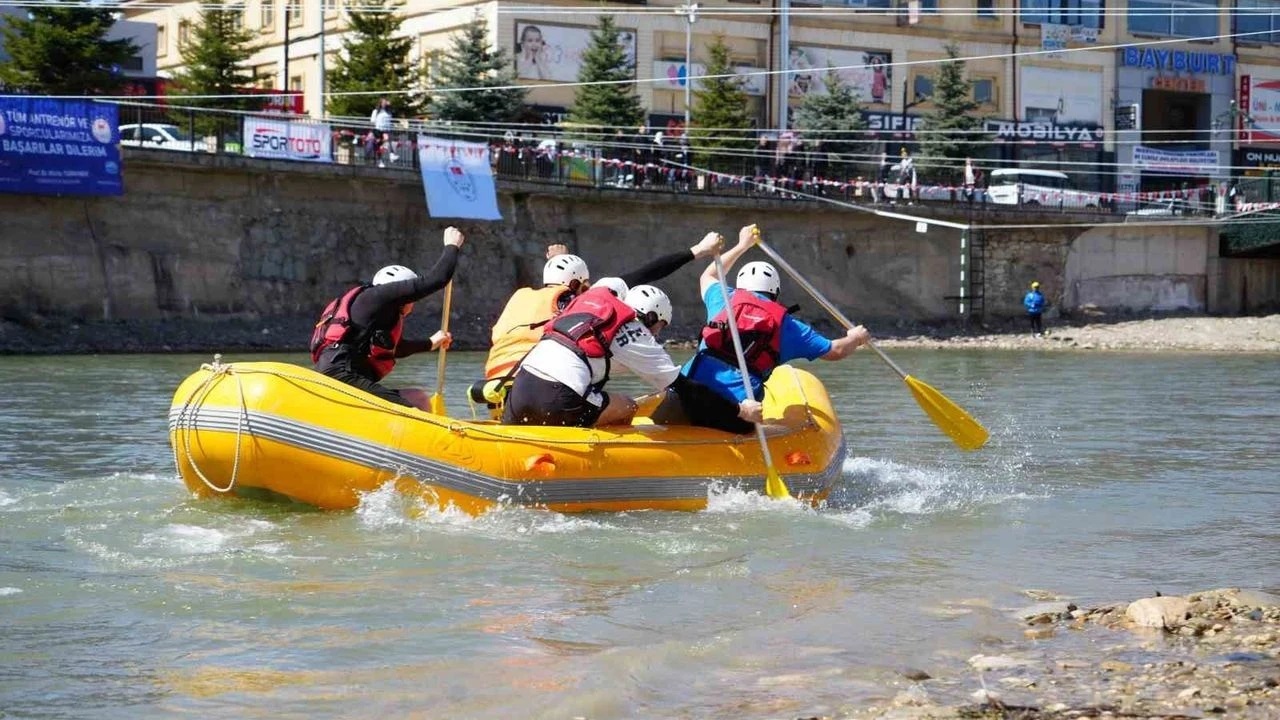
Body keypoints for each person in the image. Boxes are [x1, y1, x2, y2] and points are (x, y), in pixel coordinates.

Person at [476, 233, 728, 406]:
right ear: (577, 285)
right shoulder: (580, 302)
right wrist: (698, 251)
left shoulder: (521, 296)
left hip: (494, 385)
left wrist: (556, 262)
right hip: (536, 382)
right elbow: (645, 273)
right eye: (585, 286)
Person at [672, 224, 872, 433]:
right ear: (775, 292)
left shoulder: (723, 297)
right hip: (735, 413)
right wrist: (856, 338)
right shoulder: (788, 325)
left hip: (688, 393)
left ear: (740, 285)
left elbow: (709, 276)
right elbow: (835, 350)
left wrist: (742, 245)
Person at [502, 279, 762, 429]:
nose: (657, 336)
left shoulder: (591, 312)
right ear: (652, 318)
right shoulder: (635, 333)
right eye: (660, 327)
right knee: (628, 406)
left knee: (603, 397)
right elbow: (686, 389)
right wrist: (738, 410)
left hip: (520, 390)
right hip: (558, 397)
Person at [311, 226, 464, 409]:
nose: (412, 304)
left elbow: (395, 349)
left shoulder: (373, 311)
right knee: (409, 411)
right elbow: (437, 279)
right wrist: (452, 246)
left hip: (344, 374)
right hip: (342, 375)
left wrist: (431, 343)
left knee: (418, 398)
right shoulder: (378, 297)